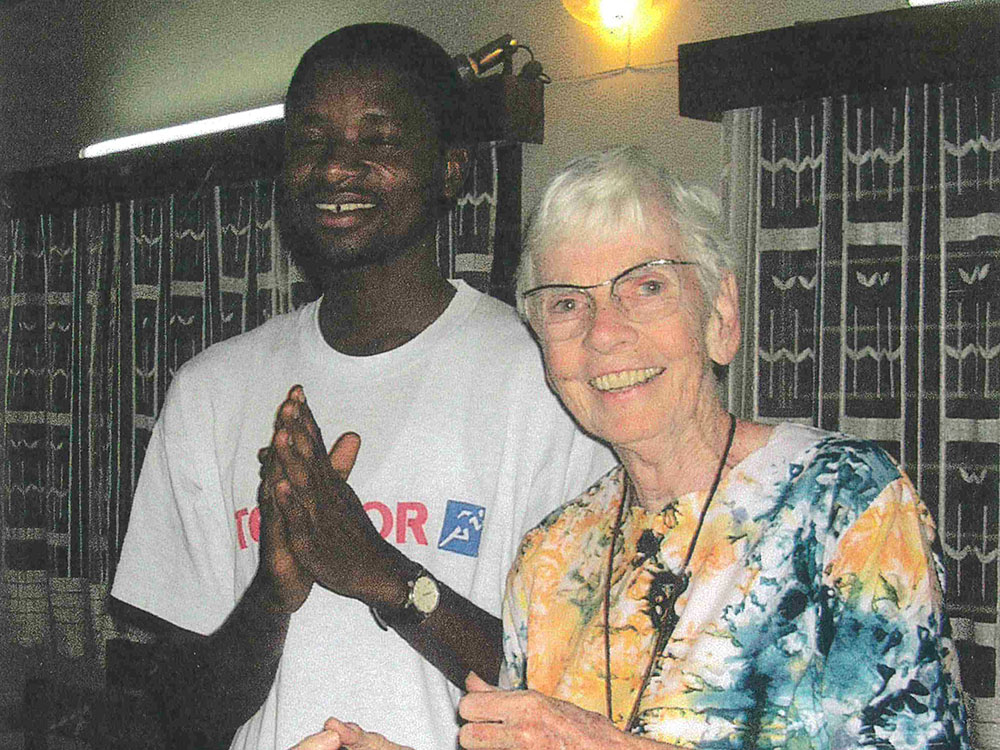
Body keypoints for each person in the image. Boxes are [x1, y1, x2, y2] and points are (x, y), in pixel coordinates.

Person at [303, 145, 972, 749]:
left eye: (646, 287)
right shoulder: (551, 558)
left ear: (721, 316)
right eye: (567, 303)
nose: (604, 334)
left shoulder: (843, 503)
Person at [110, 24, 612, 750]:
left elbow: (581, 702)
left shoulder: (545, 383)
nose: (337, 167)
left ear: (450, 170)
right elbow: (180, 718)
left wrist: (385, 575)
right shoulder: (210, 393)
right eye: (312, 140)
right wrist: (272, 596)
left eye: (377, 140)